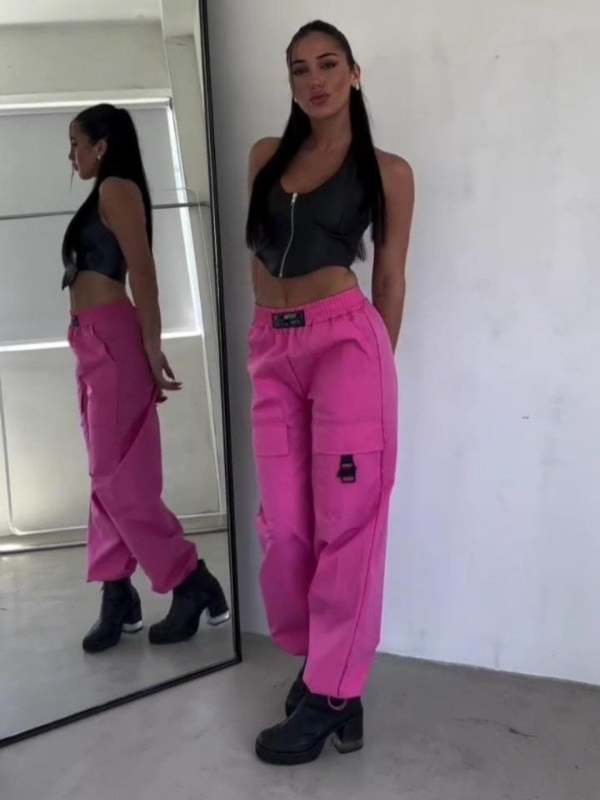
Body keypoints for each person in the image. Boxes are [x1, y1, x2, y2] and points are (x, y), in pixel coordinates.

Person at [246, 21, 414, 765]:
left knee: (350, 524)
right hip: (271, 347)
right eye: (299, 69)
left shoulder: (387, 171)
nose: (314, 80)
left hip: (347, 347)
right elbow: (257, 257)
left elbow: (390, 279)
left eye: (327, 64)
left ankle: (333, 694)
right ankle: (327, 668)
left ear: (354, 73)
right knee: (284, 524)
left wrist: (377, 380)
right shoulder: (264, 157)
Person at [63, 103, 230, 654]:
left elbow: (144, 271)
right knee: (104, 477)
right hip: (92, 342)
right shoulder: (104, 192)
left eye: (76, 143)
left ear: (101, 145)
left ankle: (189, 578)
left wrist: (151, 346)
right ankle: (118, 592)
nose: (71, 155)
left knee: (119, 480)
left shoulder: (117, 189)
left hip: (113, 341)